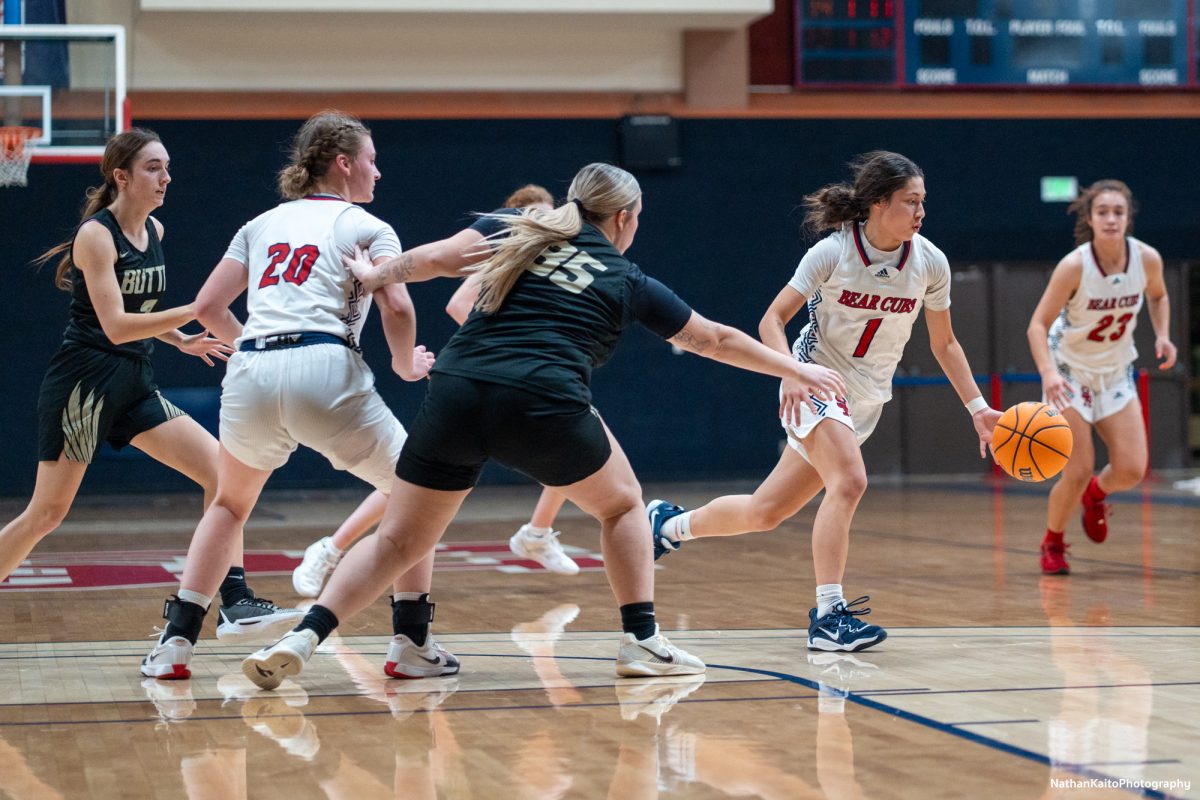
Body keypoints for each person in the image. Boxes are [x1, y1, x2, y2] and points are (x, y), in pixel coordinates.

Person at [241, 161, 846, 689]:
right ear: (627, 217)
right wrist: (794, 368)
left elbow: (440, 259)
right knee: (623, 506)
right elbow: (714, 339)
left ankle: (301, 638)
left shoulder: (516, 227)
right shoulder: (626, 276)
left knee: (398, 540)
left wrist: (376, 277)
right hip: (542, 401)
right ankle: (641, 641)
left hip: (456, 389)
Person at [140, 111, 456, 681]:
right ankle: (411, 641)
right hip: (324, 365)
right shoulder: (367, 226)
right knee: (417, 495)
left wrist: (254, 350)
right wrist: (406, 365)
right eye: (371, 159)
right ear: (343, 163)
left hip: (252, 370)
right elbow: (400, 306)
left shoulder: (259, 223)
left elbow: (208, 309)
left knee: (229, 505)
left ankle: (174, 644)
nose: (377, 172)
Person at [645, 151, 1000, 653]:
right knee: (851, 482)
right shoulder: (833, 253)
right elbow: (772, 319)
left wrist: (978, 408)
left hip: (867, 399)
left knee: (766, 511)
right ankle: (829, 616)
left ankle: (668, 525)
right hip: (817, 382)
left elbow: (945, 344)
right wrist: (790, 371)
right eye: (911, 201)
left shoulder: (929, 262)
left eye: (924, 202)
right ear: (879, 203)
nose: (921, 212)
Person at [0, 130, 288, 638]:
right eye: (154, 167)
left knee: (223, 475)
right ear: (122, 176)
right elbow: (114, 324)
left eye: (167, 167)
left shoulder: (154, 228)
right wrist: (199, 311)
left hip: (134, 383)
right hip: (83, 387)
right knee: (46, 513)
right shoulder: (96, 234)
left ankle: (235, 599)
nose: (166, 178)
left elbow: (142, 311)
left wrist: (180, 339)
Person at [290, 183, 575, 598]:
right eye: (533, 213)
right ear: (512, 218)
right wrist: (506, 344)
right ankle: (331, 548)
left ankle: (538, 531)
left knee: (575, 442)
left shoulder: (545, 264)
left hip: (520, 380)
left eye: (548, 213)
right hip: (481, 381)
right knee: (412, 480)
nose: (543, 222)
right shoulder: (505, 255)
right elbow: (459, 304)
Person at [1027, 179, 1175, 575]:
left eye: (1118, 212)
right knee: (1076, 470)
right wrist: (1048, 374)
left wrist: (1162, 334)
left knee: (1130, 470)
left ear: (1128, 218)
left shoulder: (1147, 259)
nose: (1111, 219)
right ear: (1090, 219)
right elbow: (1037, 326)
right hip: (1069, 372)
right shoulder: (1074, 266)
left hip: (1114, 371)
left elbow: (1159, 295)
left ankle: (1097, 495)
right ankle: (1053, 541)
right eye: (1103, 212)